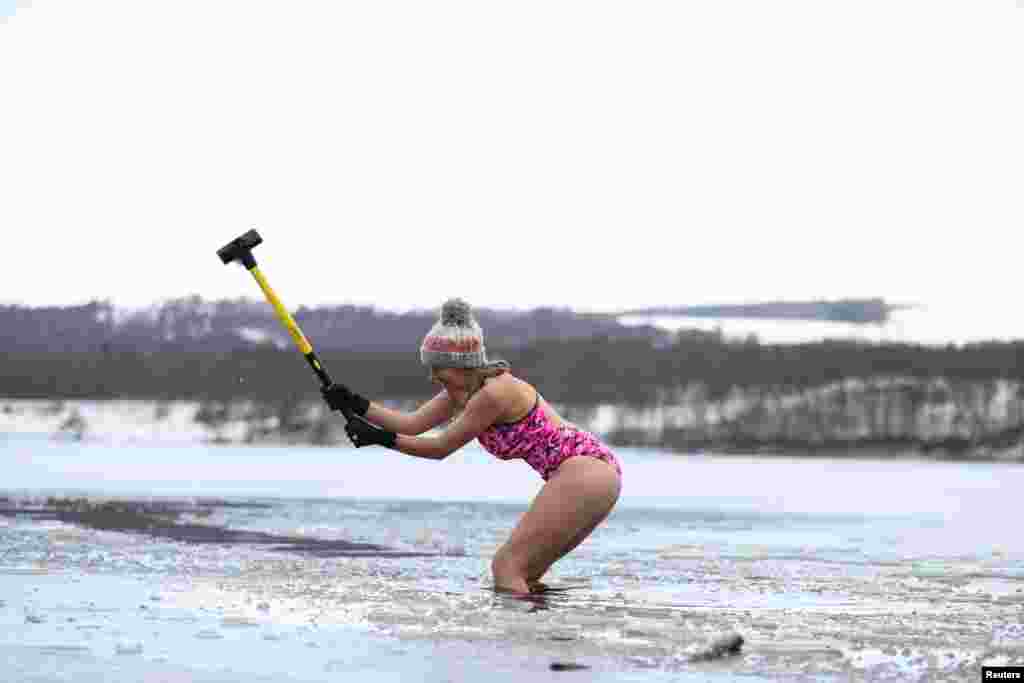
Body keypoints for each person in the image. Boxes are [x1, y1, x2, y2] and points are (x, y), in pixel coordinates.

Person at [321, 298, 623, 595]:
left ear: (462, 365)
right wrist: (354, 402)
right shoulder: (463, 391)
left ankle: (515, 640)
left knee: (506, 568)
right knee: (524, 575)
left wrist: (379, 438)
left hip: (584, 472)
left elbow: (440, 448)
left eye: (437, 367)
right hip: (593, 477)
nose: (432, 376)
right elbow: (411, 424)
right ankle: (538, 635)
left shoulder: (493, 394)